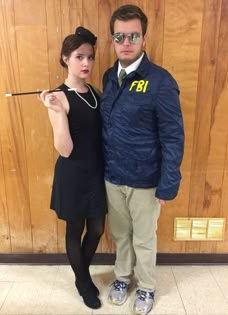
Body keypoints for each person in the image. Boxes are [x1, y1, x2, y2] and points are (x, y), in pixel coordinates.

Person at [100, 5, 184, 315]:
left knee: (144, 239)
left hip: (146, 179)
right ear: (113, 39)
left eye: (132, 35)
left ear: (144, 38)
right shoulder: (110, 76)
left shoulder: (160, 82)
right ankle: (123, 277)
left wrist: (168, 184)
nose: (126, 42)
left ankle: (146, 286)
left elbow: (173, 136)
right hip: (113, 176)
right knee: (121, 234)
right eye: (119, 36)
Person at [40, 27, 107, 310]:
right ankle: (82, 281)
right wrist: (55, 111)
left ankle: (82, 273)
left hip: (97, 172)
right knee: (75, 229)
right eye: (79, 56)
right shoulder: (58, 97)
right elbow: (65, 150)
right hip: (74, 173)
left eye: (90, 57)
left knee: (97, 228)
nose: (87, 64)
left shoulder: (95, 92)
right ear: (65, 58)